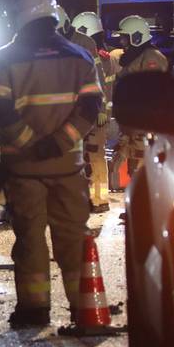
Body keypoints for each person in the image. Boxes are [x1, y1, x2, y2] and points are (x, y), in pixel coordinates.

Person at [0, 0, 103, 327]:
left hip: (24, 170)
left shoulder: (3, 57)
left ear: (17, 17)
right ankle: (84, 308)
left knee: (30, 241)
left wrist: (29, 143)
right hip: (68, 168)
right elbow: (91, 107)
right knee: (73, 238)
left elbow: (0, 109)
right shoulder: (80, 57)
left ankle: (34, 310)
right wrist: (58, 143)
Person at [112, 14, 170, 180]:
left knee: (143, 166)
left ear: (136, 37)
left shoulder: (152, 58)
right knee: (134, 165)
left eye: (125, 38)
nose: (122, 42)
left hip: (147, 126)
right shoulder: (135, 57)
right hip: (134, 123)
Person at [71, 11, 118, 212]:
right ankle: (91, 197)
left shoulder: (101, 58)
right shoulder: (99, 55)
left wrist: (101, 110)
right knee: (88, 157)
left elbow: (102, 86)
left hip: (96, 114)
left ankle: (100, 200)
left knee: (96, 156)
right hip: (88, 112)